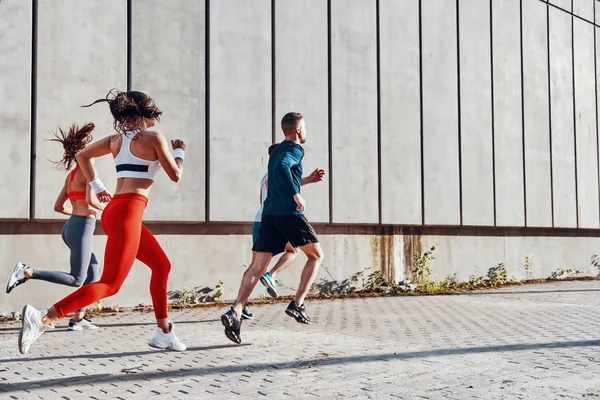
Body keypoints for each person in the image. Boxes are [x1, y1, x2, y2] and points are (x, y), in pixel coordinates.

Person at [17, 89, 187, 354]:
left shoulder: (116, 140)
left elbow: (81, 155)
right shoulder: (154, 138)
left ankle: (164, 332)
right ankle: (43, 317)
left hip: (117, 212)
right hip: (128, 212)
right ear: (145, 109)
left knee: (161, 266)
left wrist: (96, 186)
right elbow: (175, 175)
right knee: (110, 284)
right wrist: (179, 152)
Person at [222, 112, 325, 344]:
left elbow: (279, 171)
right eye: (305, 127)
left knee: (258, 266)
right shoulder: (295, 149)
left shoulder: (276, 150)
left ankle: (236, 312)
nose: (306, 131)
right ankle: (297, 305)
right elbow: (282, 167)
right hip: (289, 213)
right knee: (316, 256)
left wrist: (304, 180)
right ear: (298, 130)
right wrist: (296, 193)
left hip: (268, 215)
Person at [6, 122, 104, 331]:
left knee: (94, 273)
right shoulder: (89, 171)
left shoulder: (70, 176)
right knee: (77, 279)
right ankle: (28, 272)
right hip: (81, 228)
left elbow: (59, 206)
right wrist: (111, 205)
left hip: (72, 228)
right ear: (84, 151)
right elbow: (91, 199)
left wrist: (79, 214)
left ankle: (78, 319)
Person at [234, 144, 325, 319]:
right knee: (269, 262)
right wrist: (297, 193)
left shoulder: (270, 174)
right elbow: (279, 182)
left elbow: (280, 182)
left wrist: (307, 180)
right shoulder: (277, 171)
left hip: (264, 218)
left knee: (263, 263)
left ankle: (240, 305)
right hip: (273, 219)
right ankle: (271, 278)